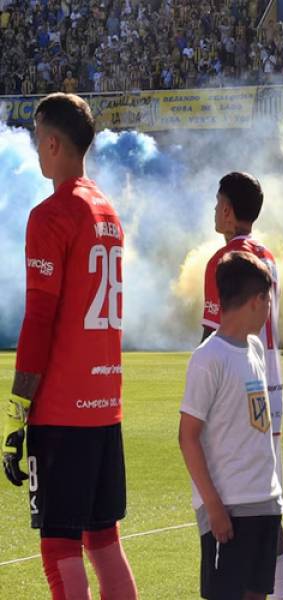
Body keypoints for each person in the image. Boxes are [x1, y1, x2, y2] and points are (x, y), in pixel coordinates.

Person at [2, 93, 138, 599]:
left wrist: (18, 409)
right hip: (106, 408)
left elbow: (40, 318)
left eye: (38, 141)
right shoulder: (106, 209)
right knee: (104, 541)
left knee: (60, 549)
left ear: (54, 142)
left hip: (62, 410)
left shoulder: (52, 214)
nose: (37, 151)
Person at [201, 171, 283, 600]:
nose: (215, 209)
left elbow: (212, 336)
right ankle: (280, 592)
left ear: (229, 210)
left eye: (218, 202)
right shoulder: (269, 256)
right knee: (270, 503)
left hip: (238, 391)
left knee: (234, 506)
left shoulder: (225, 264)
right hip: (271, 388)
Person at [179, 251, 283, 600]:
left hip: (264, 502)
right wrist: (213, 506)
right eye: (268, 301)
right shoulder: (208, 359)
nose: (269, 309)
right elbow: (188, 437)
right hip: (230, 509)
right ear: (258, 301)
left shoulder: (254, 348)